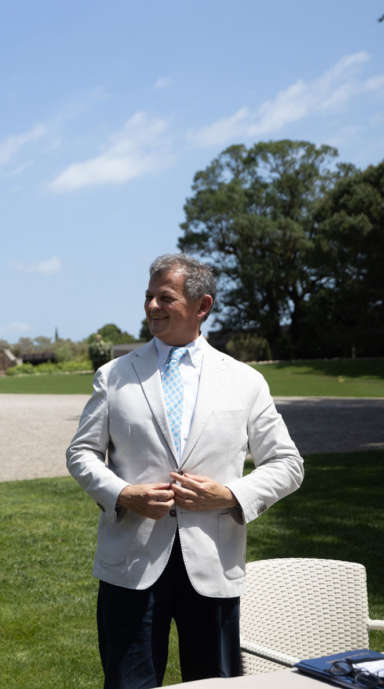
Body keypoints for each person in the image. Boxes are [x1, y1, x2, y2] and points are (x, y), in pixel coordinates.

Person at [66, 253, 304, 688]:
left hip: (214, 564)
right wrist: (123, 494)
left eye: (165, 298)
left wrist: (231, 496)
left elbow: (288, 464)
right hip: (130, 565)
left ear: (202, 306)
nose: (152, 307)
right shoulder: (113, 376)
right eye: (148, 297)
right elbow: (81, 453)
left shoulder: (245, 381)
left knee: (215, 685)